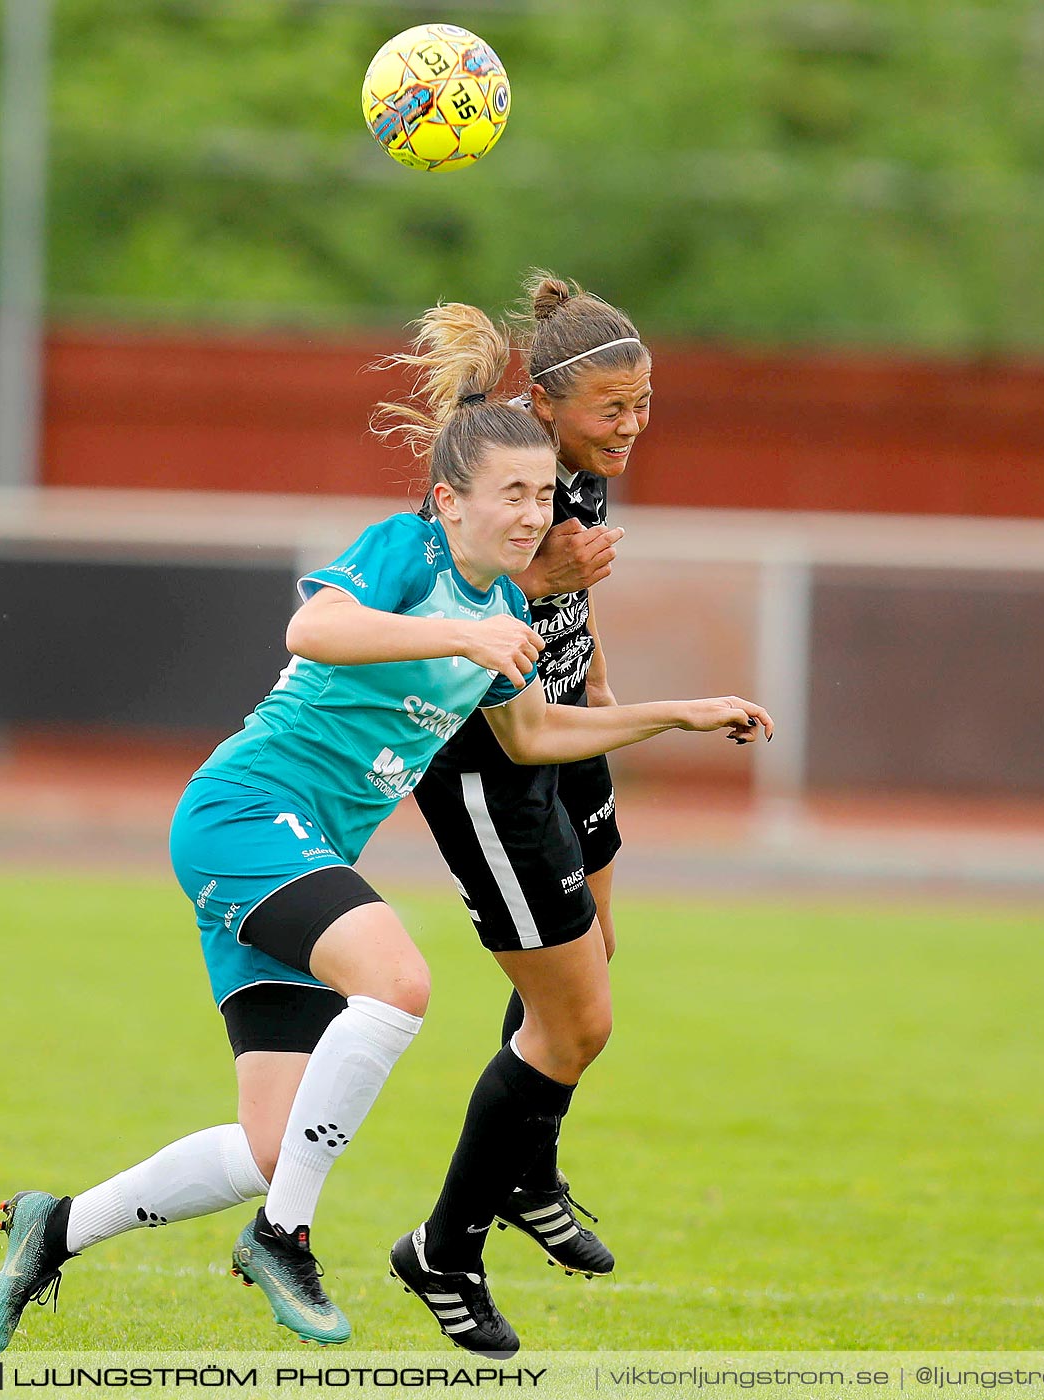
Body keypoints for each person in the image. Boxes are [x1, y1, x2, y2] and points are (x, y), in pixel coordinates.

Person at [0, 302, 772, 1357]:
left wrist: (678, 710)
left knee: (270, 1139)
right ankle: (285, 1235)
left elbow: (533, 736)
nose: (535, 513)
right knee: (397, 982)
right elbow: (310, 625)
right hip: (243, 816)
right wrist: (458, 629)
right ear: (452, 499)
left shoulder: (513, 613)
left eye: (545, 493)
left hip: (300, 852)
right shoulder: (407, 552)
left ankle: (55, 1228)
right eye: (512, 494)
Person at [395, 273, 652, 1353]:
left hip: (558, 735)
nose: (632, 426)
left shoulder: (577, 474)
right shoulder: (502, 485)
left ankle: (527, 1170)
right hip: (485, 757)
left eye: (644, 405)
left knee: (591, 963)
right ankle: (444, 1246)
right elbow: (455, 606)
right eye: (613, 409)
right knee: (575, 1017)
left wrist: (598, 695)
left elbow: (564, 614)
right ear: (545, 405)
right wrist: (546, 578)